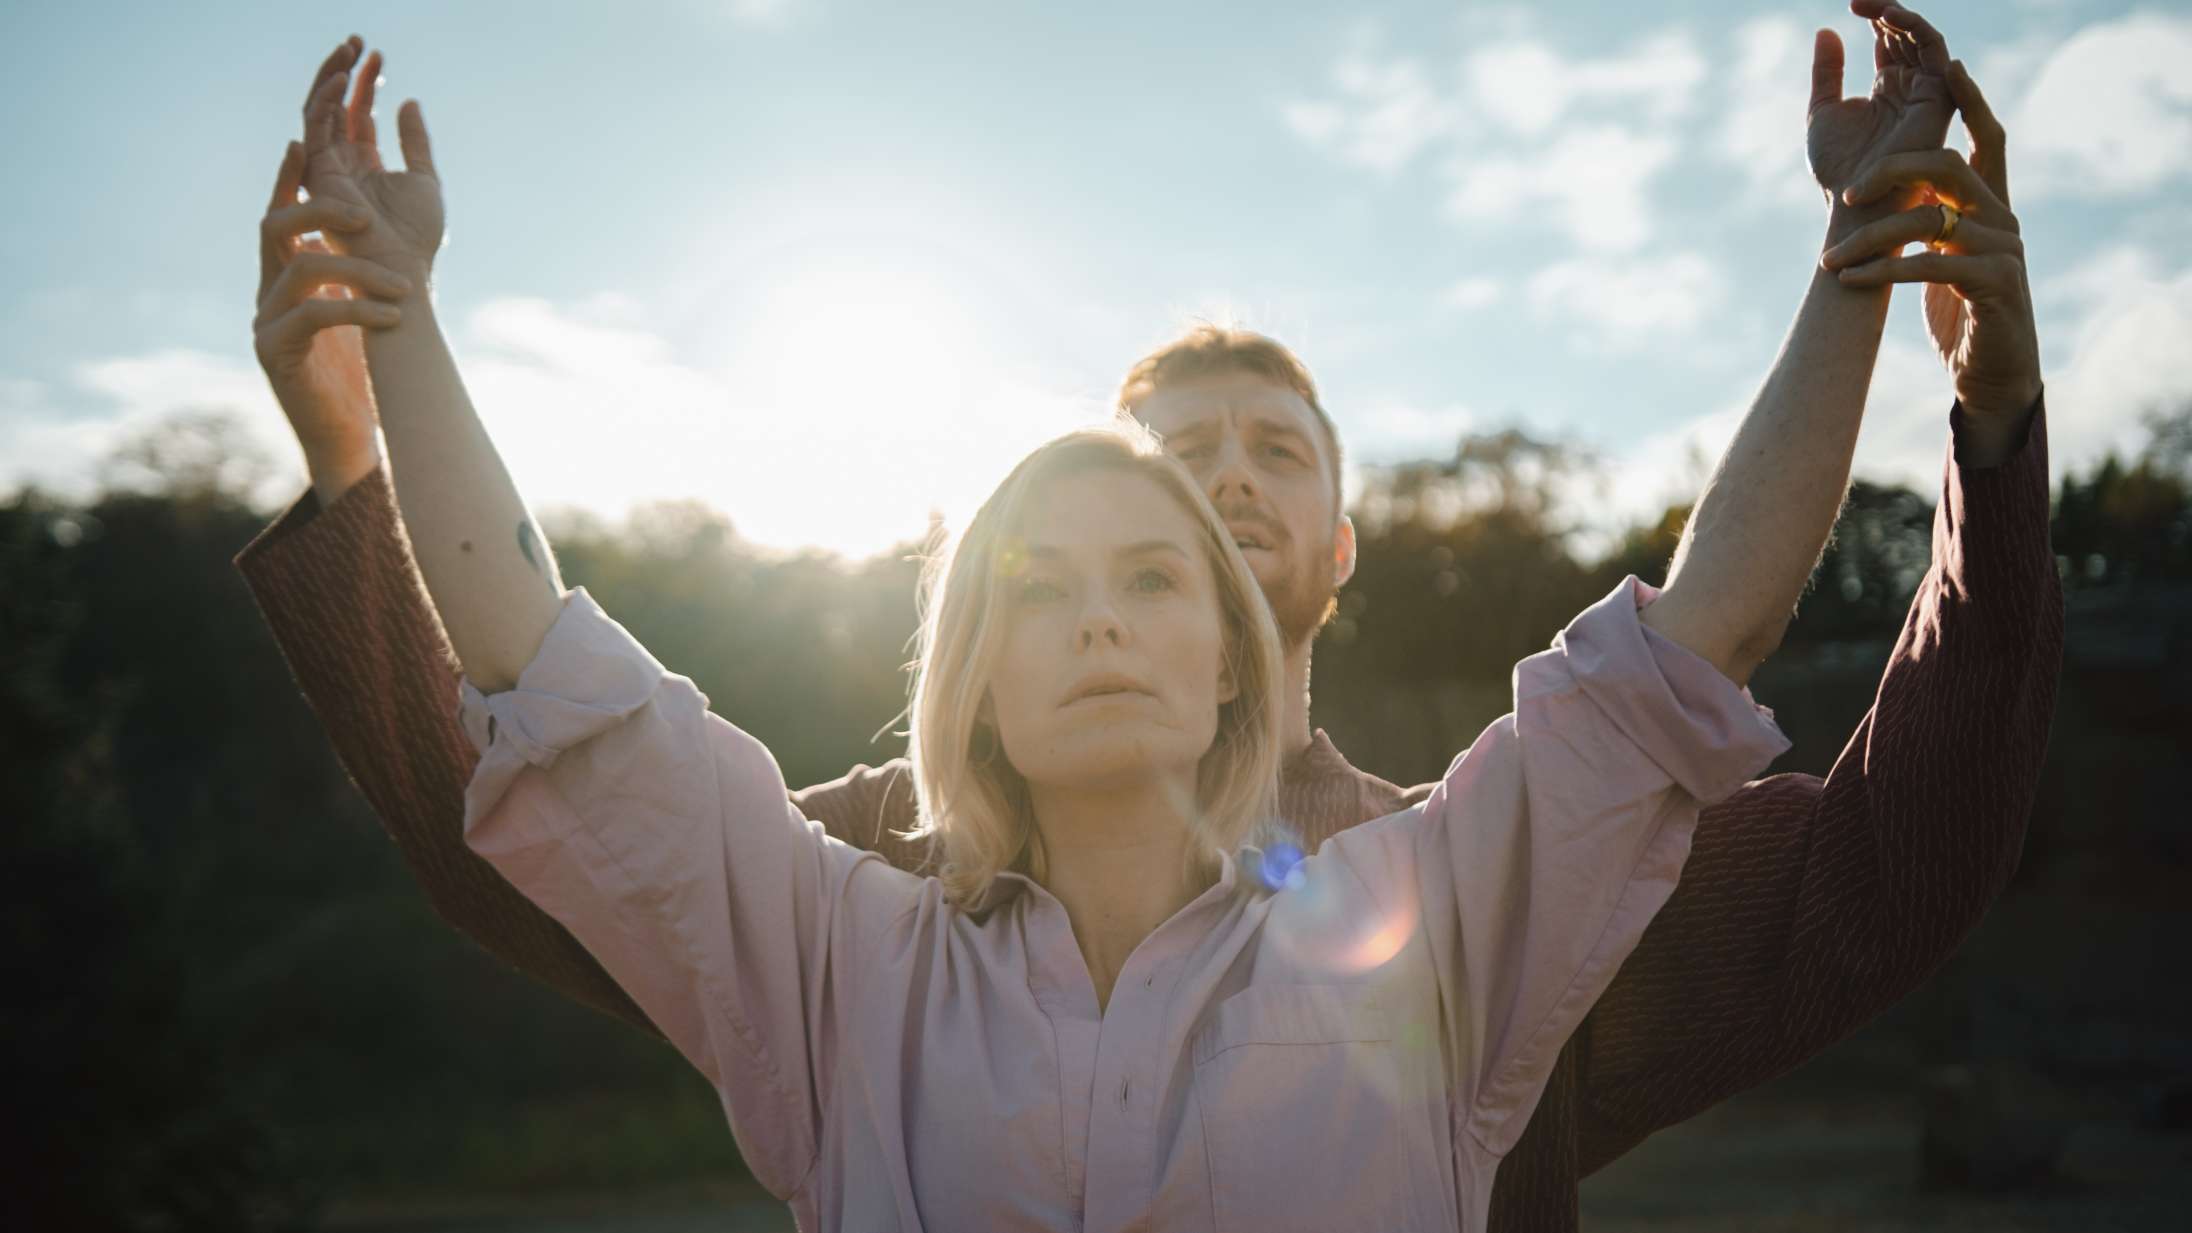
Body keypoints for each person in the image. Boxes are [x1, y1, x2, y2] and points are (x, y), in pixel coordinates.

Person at [236, 2, 2061, 1227]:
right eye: (1100, 526)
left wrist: (1936, 356)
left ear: (1310, 575)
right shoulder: (853, 922)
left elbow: (1775, 711)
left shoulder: (1455, 900)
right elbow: (550, 749)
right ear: (969, 641)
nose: (1153, 560)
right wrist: (373, 403)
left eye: (1241, 486)